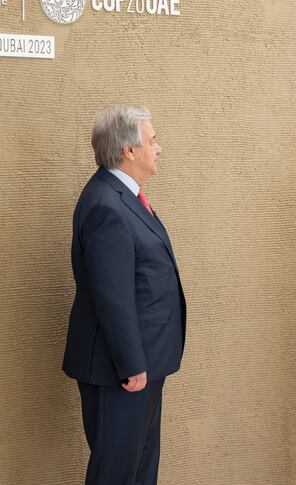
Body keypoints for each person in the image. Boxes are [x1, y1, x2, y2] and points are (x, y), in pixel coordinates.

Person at [62, 105, 186, 485]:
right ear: (129, 151)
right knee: (117, 473)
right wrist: (132, 365)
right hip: (122, 370)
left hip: (142, 364)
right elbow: (111, 295)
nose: (159, 148)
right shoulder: (106, 205)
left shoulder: (125, 197)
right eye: (152, 140)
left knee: (139, 469)